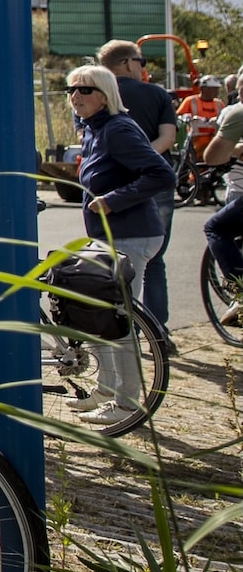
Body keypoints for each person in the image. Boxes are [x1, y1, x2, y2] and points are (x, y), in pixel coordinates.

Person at [64, 63, 175, 425]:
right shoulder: (95, 129)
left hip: (131, 232)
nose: (75, 96)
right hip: (110, 235)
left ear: (106, 95)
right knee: (99, 313)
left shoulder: (118, 128)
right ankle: (107, 390)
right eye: (71, 89)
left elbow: (161, 173)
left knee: (118, 319)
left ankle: (127, 404)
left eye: (85, 89)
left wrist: (114, 199)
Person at [100, 39, 179, 347]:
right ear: (129, 63)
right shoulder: (156, 94)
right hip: (154, 183)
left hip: (109, 186)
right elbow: (168, 137)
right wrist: (144, 158)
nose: (142, 68)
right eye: (142, 63)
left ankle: (120, 332)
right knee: (154, 260)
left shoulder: (95, 95)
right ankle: (158, 333)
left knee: (112, 261)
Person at [203, 95, 243, 321]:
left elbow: (212, 156)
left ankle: (242, 295)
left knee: (215, 227)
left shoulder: (238, 113)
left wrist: (236, 149)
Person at [179, 76, 224, 160]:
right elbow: (179, 116)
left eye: (217, 89)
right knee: (195, 165)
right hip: (195, 142)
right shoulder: (190, 101)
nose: (216, 91)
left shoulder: (219, 104)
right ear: (203, 89)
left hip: (214, 140)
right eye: (213, 89)